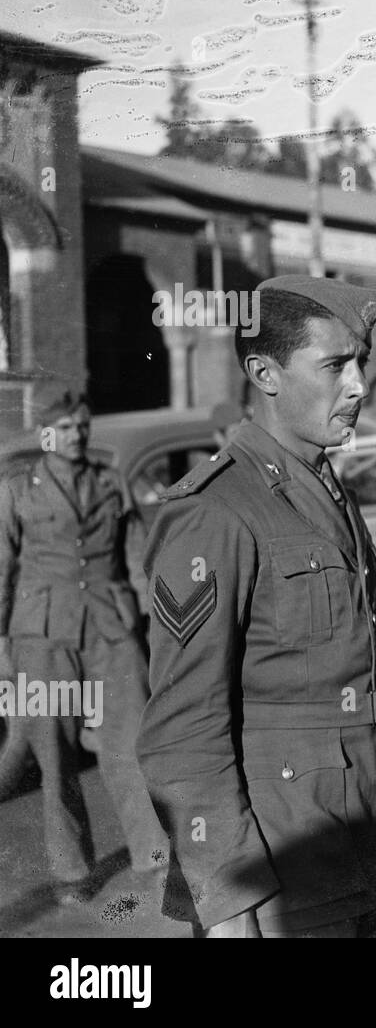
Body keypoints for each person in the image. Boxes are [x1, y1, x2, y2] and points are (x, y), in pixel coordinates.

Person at [136, 275, 376, 937]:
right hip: (281, 872)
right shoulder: (214, 510)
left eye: (362, 363)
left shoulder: (327, 490)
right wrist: (230, 899)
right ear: (264, 373)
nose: (359, 386)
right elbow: (181, 729)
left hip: (359, 843)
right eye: (335, 366)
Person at [0, 383, 169, 901]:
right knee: (55, 754)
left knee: (132, 744)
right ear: (45, 433)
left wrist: (151, 625)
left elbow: (138, 557)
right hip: (42, 635)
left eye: (82, 427)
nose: (76, 436)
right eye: (66, 428)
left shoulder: (110, 481)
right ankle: (72, 872)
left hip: (111, 632)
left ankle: (154, 855)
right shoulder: (17, 488)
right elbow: (1, 569)